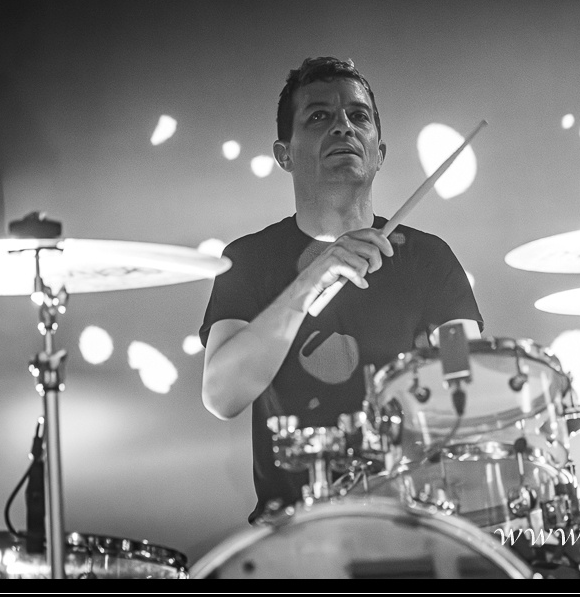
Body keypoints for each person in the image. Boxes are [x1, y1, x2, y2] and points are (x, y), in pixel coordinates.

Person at [199, 56, 483, 524]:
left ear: (379, 153)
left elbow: (465, 383)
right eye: (319, 116)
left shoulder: (428, 259)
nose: (343, 127)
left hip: (412, 522)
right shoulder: (248, 259)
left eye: (358, 116)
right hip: (292, 531)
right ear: (284, 154)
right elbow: (221, 395)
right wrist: (314, 277)